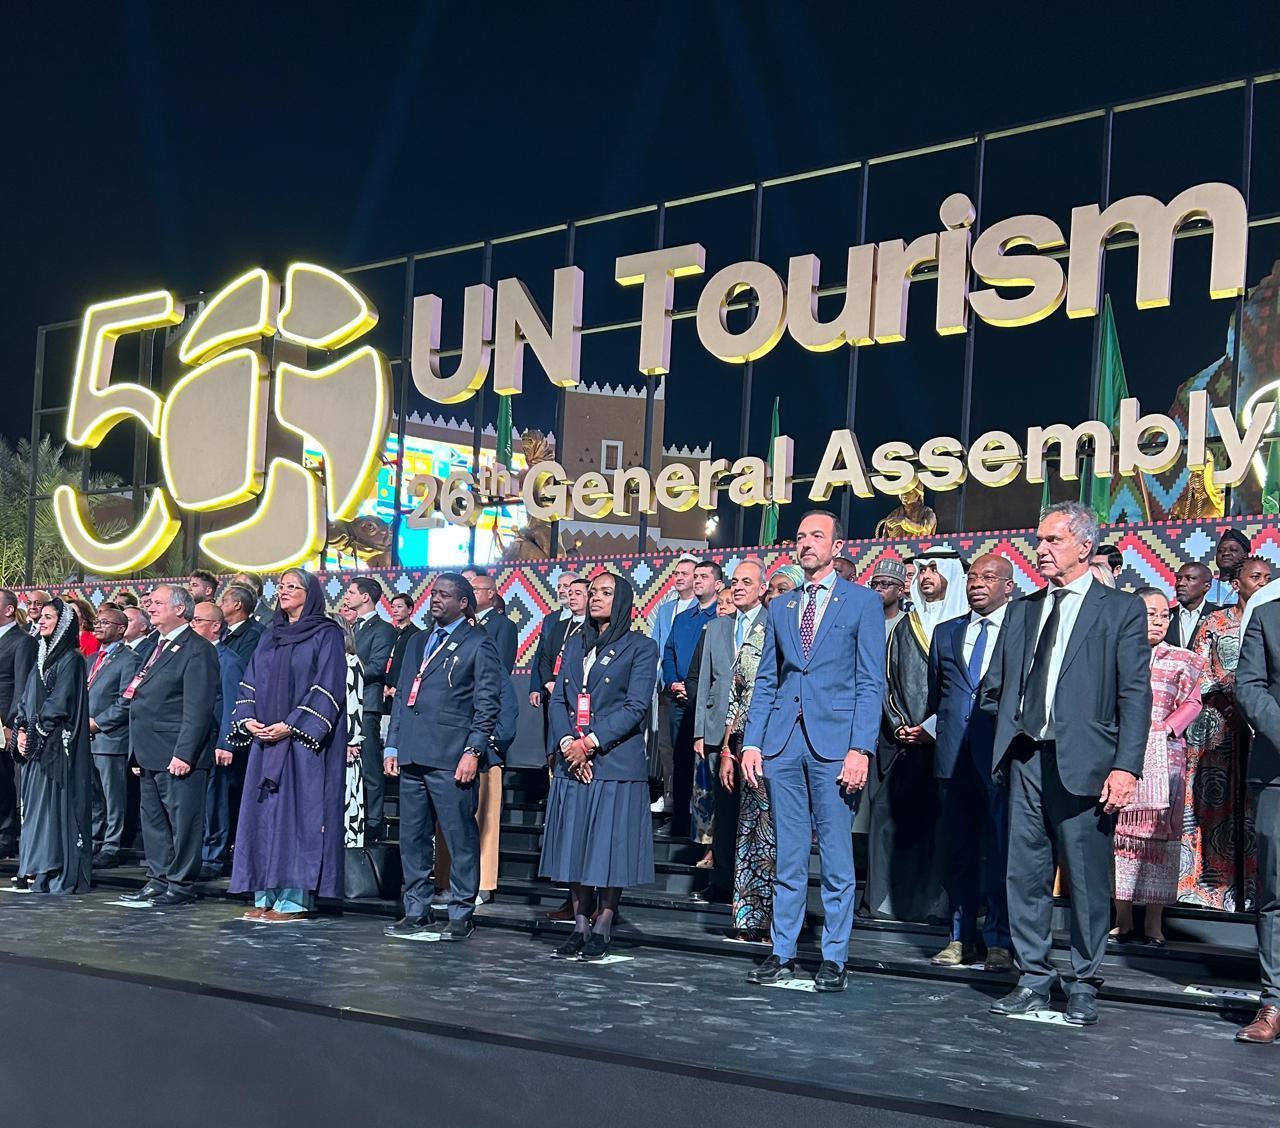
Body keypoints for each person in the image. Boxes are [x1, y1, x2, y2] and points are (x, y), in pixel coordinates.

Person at [985, 502, 1151, 1027]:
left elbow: (1135, 694)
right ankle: (1033, 977)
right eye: (1040, 540)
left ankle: (1084, 980)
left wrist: (1125, 767)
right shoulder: (1023, 609)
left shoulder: (1119, 609)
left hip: (1088, 763)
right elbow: (997, 682)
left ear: (1084, 547)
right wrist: (1010, 728)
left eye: (1053, 540)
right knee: (1025, 874)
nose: (1042, 550)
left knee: (1085, 878)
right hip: (1027, 757)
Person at [742, 511, 885, 991]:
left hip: (835, 745)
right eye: (801, 537)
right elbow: (767, 680)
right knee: (789, 854)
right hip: (783, 743)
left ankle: (834, 957)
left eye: (816, 536)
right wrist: (753, 741)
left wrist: (860, 748)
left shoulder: (861, 603)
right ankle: (781, 951)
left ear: (837, 545)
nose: (806, 544)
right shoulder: (781, 607)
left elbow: (871, 682)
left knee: (838, 858)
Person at [541, 571, 658, 960]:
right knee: (574, 844)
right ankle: (578, 925)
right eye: (592, 592)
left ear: (623, 600)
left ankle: (604, 923)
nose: (596, 598)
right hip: (572, 761)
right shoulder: (574, 644)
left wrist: (589, 744)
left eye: (606, 593)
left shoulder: (641, 647)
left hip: (613, 761)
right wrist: (566, 744)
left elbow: (636, 706)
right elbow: (559, 699)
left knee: (609, 847)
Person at [383, 573, 502, 940]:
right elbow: (404, 695)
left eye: (445, 595)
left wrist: (473, 750)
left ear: (464, 603)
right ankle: (416, 909)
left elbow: (486, 704)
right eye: (434, 593)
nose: (436, 600)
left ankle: (462, 910)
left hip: (451, 756)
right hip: (414, 751)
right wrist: (393, 744)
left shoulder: (478, 644)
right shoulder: (418, 641)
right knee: (413, 835)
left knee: (458, 836)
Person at [226, 569, 349, 921]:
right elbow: (250, 681)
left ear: (309, 594)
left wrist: (291, 725)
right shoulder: (270, 635)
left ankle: (294, 900)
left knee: (297, 818)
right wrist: (248, 719)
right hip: (265, 740)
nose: (285, 591)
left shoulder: (326, 634)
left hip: (301, 744)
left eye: (293, 586)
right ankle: (265, 894)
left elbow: (328, 686)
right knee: (263, 816)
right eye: (282, 586)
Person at [865, 549, 967, 923]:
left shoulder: (965, 625)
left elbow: (967, 689)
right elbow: (885, 683)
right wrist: (898, 725)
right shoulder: (906, 626)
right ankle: (884, 903)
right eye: (922, 570)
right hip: (903, 744)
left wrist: (932, 728)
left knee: (944, 824)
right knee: (887, 817)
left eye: (935, 570)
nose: (926, 576)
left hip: (949, 746)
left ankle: (938, 907)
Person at [924, 553, 1015, 970]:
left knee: (1000, 850)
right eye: (973, 576)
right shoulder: (945, 633)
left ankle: (999, 939)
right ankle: (960, 937)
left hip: (1001, 758)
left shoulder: (1022, 630)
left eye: (989, 577)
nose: (978, 583)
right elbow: (937, 694)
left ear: (1008, 586)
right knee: (958, 851)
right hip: (952, 759)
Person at [1112, 589, 1206, 945]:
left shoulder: (1184, 658)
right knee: (1119, 839)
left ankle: (1154, 921)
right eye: (1149, 614)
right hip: (1121, 757)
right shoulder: (1117, 655)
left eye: (1163, 615)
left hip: (1166, 757)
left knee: (1160, 840)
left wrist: (1164, 728)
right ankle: (1123, 918)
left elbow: (1193, 703)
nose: (1157, 621)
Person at [1182, 554, 1272, 910]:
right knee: (1212, 807)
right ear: (1236, 583)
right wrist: (1231, 685)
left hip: (1259, 730)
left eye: (1268, 576)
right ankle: (1208, 888)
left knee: (1254, 813)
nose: (1263, 582)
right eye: (1255, 576)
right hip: (1218, 727)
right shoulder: (1215, 623)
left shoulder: (1272, 621)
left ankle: (1250, 889)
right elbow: (1195, 672)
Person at [120, 584, 219, 907]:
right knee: (154, 822)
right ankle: (158, 877)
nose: (151, 607)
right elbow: (140, 696)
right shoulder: (155, 645)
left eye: (158, 602)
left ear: (180, 609)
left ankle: (181, 882)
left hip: (177, 752)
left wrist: (184, 752)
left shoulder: (197, 649)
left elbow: (198, 707)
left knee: (183, 822)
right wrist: (135, 751)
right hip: (149, 751)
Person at [698, 561, 768, 930]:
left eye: (747, 582)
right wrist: (710, 738)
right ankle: (723, 881)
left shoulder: (773, 625)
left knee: (755, 817)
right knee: (723, 810)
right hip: (725, 732)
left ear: (763, 588)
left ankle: (755, 895)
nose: (739, 588)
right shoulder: (717, 626)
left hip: (765, 734)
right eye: (735, 582)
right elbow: (711, 680)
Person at [9, 599, 92, 894]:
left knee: (52, 808)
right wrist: (21, 728)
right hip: (35, 745)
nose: (41, 622)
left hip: (55, 746)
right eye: (40, 617)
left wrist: (35, 730)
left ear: (64, 624)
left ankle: (52, 867)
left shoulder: (70, 659)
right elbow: (25, 698)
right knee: (33, 809)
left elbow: (59, 702)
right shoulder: (41, 657)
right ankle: (35, 867)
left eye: (48, 617)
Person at [1231, 586, 1280, 1042]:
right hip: (1277, 773)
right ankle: (1274, 1002)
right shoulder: (1267, 616)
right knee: (1276, 891)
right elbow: (1248, 685)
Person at [662, 560, 723, 838]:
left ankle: (707, 830)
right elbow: (669, 652)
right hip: (680, 701)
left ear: (718, 584)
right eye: (695, 576)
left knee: (707, 764)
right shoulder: (682, 618)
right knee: (681, 761)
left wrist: (695, 688)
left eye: (703, 577)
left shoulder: (721, 619)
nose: (697, 581)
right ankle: (679, 823)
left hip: (707, 703)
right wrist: (675, 682)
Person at [190, 602, 247, 881]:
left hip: (215, 742)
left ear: (215, 626)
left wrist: (226, 741)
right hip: (191, 742)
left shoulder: (229, 660)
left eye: (198, 620)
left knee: (215, 800)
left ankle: (213, 856)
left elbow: (233, 703)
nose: (192, 625)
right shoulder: (188, 655)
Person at [85, 603, 139, 870]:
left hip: (109, 738)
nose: (98, 625)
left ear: (121, 628)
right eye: (96, 621)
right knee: (94, 796)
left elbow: (126, 701)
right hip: (85, 738)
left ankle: (111, 845)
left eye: (105, 622)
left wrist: (98, 723)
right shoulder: (91, 659)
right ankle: (94, 840)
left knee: (112, 796)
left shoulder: (130, 660)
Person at [649, 553, 700, 816]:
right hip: (666, 686)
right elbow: (659, 646)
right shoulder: (666, 608)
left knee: (688, 746)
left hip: (691, 689)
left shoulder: (700, 609)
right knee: (665, 744)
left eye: (685, 574)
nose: (679, 578)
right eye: (676, 573)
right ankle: (669, 793)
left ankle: (688, 799)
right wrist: (664, 680)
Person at [345, 576, 395, 843]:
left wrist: (345, 666)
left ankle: (374, 820)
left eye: (352, 592)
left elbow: (377, 667)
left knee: (370, 766)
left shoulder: (383, 628)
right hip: (346, 701)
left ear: (366, 597)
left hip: (367, 703)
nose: (347, 596)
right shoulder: (351, 627)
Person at [0, 589, 36, 860]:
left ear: (9, 609)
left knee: (5, 781)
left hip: (4, 723)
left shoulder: (22, 641)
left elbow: (22, 685)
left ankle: (6, 837)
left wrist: (13, 723)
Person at [333, 614, 366, 851]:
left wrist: (351, 740)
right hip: (326, 741)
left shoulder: (350, 662)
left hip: (344, 743)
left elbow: (354, 703)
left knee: (345, 801)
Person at [1168, 562, 1217, 650]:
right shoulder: (1165, 616)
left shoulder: (1219, 616)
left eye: (1190, 578)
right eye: (1178, 579)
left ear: (1207, 586)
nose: (1181, 583)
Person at [385, 593, 421, 705]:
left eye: (399, 607)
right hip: (384, 690)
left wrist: (399, 687)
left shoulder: (417, 634)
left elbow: (414, 665)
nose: (395, 610)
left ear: (410, 609)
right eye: (393, 607)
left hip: (402, 690)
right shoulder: (388, 632)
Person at [219, 583, 264, 664]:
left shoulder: (252, 636)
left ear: (237, 605)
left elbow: (240, 666)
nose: (219, 605)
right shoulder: (220, 630)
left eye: (224, 601)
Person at [1208, 529, 1250, 607]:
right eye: (1220, 551)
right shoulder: (1205, 586)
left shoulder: (1250, 587)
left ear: (1245, 556)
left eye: (1233, 550)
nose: (1225, 553)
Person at [869, 557, 908, 639]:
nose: (877, 589)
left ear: (900, 591)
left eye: (884, 584)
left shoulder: (909, 624)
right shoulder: (864, 621)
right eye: (873, 584)